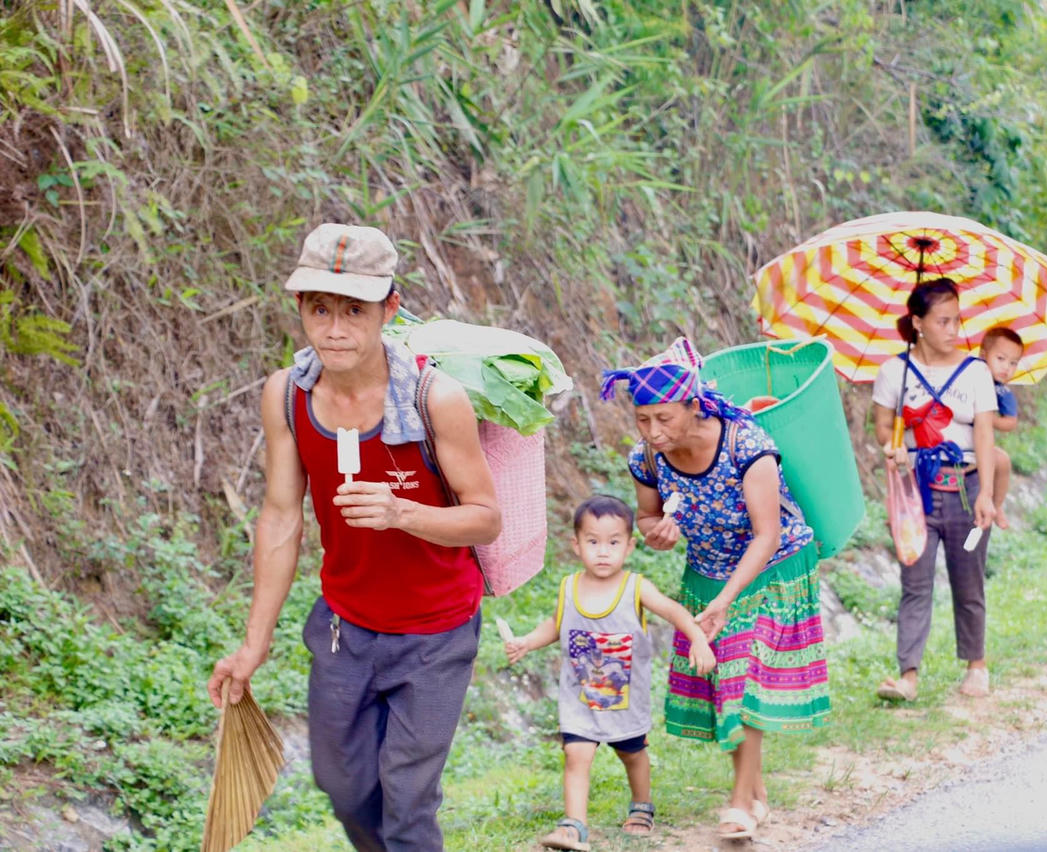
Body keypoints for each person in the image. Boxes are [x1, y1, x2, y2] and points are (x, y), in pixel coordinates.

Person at [207, 223, 501, 852]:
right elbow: (281, 518)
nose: (335, 329)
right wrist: (253, 645)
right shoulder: (288, 396)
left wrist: (403, 513)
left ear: (389, 309)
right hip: (345, 629)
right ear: (300, 309)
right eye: (320, 309)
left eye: (354, 311)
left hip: (436, 634)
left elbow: (485, 518)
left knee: (408, 800)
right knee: (342, 787)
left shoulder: (435, 399)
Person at [600, 337, 830, 842]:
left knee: (744, 676)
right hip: (706, 572)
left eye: (664, 418)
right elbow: (647, 517)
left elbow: (767, 535)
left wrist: (726, 601)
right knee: (726, 683)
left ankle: (741, 804)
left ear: (694, 405)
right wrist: (657, 533)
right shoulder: (648, 459)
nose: (653, 431)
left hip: (773, 567)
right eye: (642, 420)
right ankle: (754, 791)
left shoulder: (746, 446)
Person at [504, 495, 716, 851]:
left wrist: (697, 638)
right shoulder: (569, 587)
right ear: (576, 545)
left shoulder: (636, 587)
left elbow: (673, 611)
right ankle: (574, 826)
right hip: (580, 696)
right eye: (593, 542)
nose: (603, 552)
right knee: (576, 754)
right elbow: (556, 624)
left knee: (632, 753)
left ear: (629, 547)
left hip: (625, 699)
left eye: (613, 543)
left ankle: (641, 806)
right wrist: (527, 642)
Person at [871, 278, 997, 702]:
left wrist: (986, 495)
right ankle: (907, 676)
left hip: (966, 488)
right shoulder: (894, 372)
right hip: (914, 492)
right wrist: (893, 447)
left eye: (957, 320)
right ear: (918, 323)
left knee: (969, 580)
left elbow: (985, 435)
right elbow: (882, 427)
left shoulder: (976, 371)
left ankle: (976, 665)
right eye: (942, 321)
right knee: (915, 582)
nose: (953, 329)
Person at [979, 326, 1024, 529]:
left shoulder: (1002, 392)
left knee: (1002, 460)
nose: (1006, 367)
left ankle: (997, 505)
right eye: (1001, 359)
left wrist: (991, 420)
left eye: (1013, 363)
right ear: (983, 355)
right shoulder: (967, 376)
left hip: (982, 443)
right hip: (956, 438)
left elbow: (1010, 422)